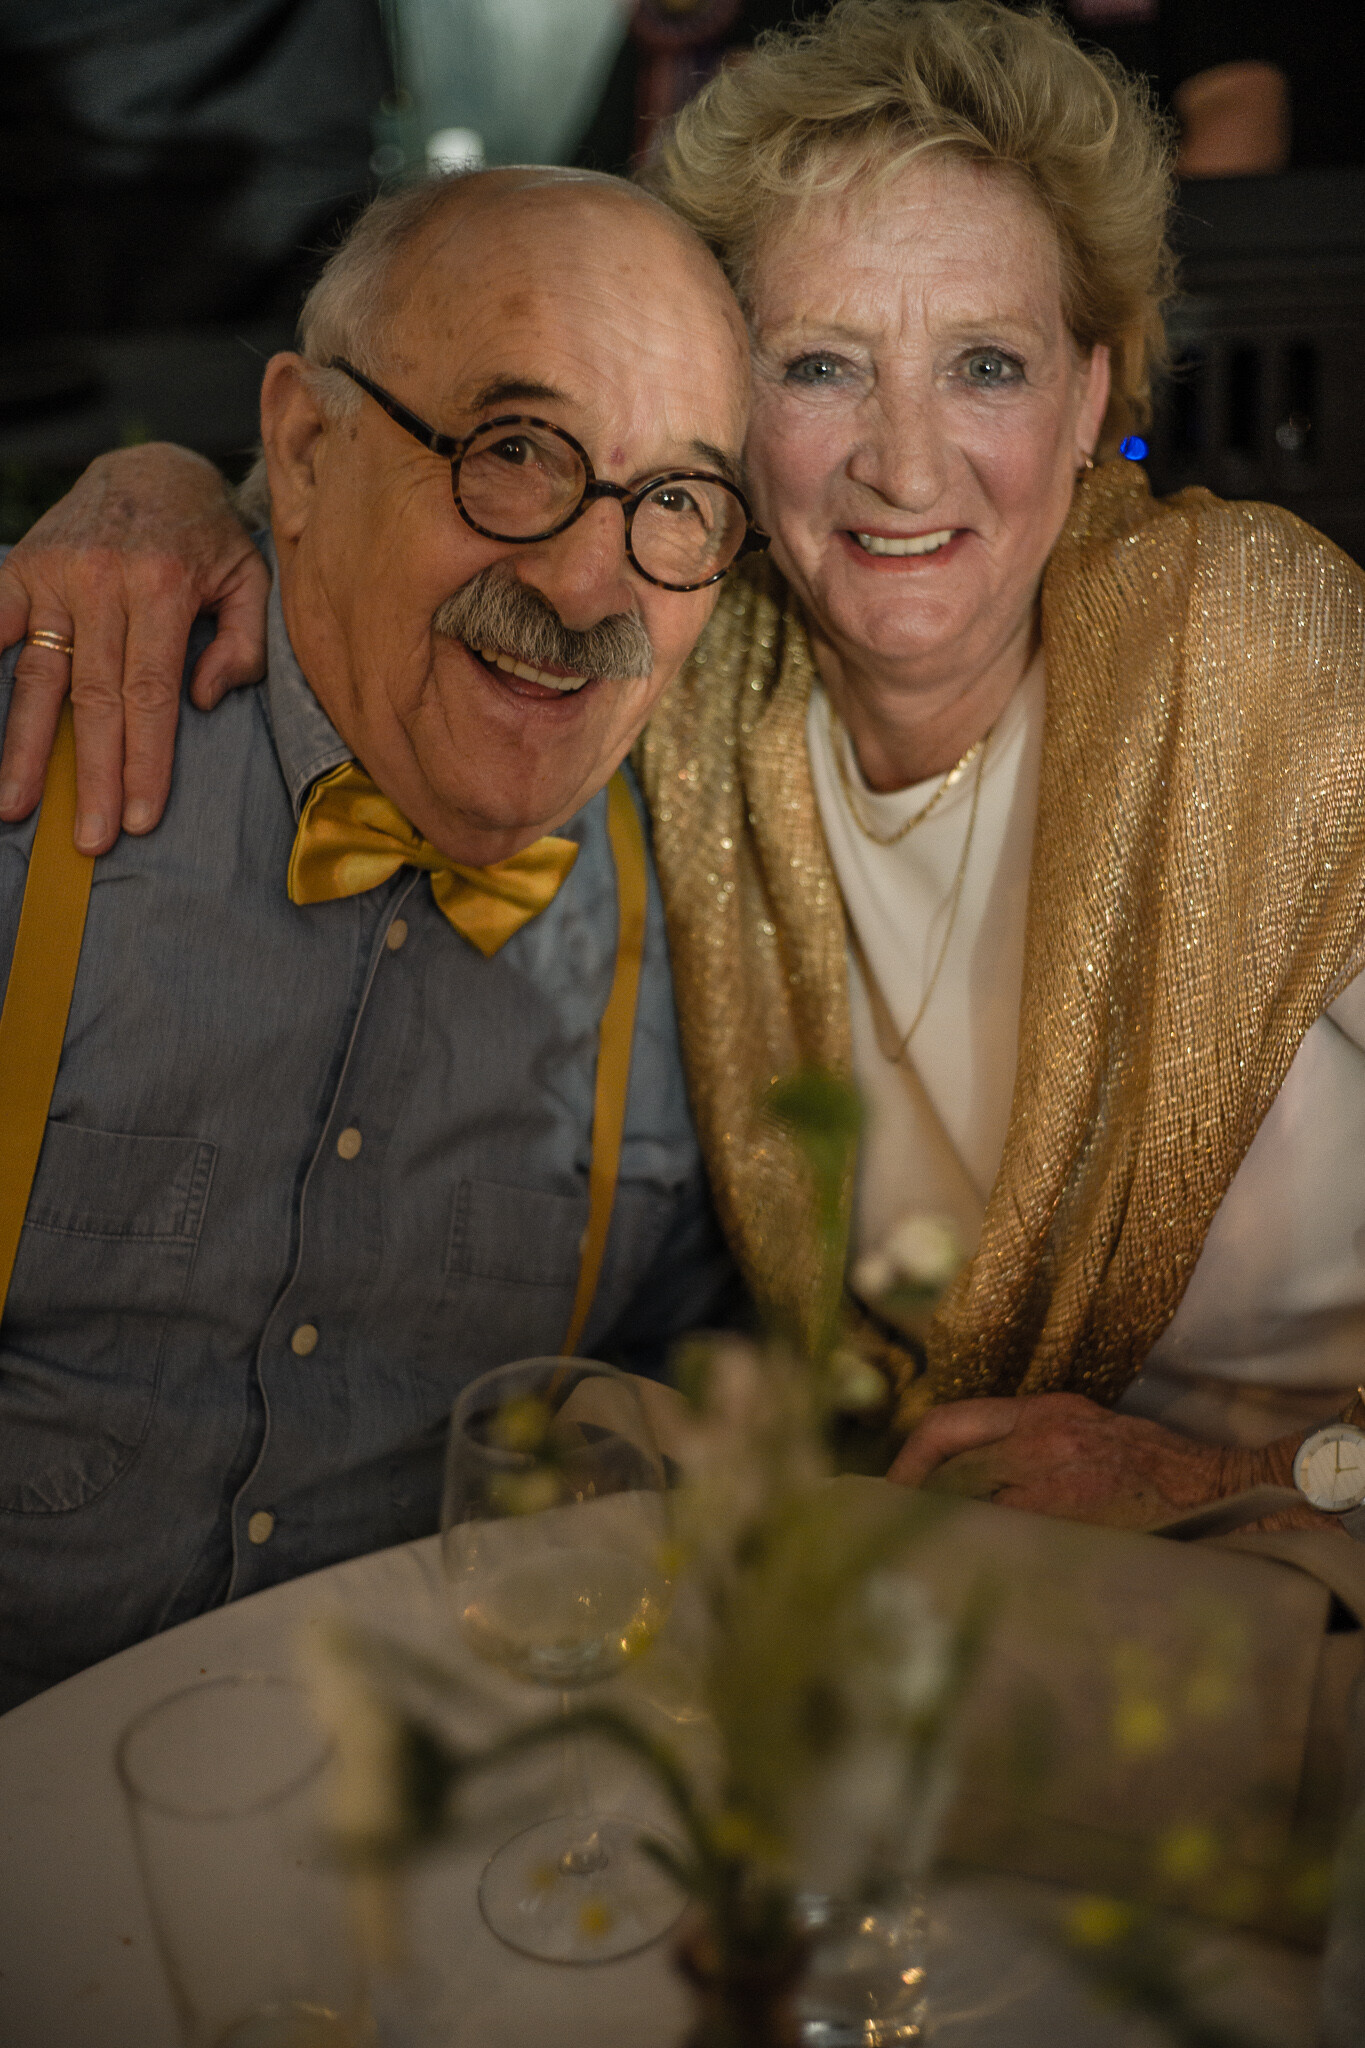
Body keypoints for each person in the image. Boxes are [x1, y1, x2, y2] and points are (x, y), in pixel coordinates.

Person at [7, 1, 1365, 1541]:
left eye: (985, 364)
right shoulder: (680, 682)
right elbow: (401, 514)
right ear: (718, 416)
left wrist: (1237, 1482)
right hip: (976, 1602)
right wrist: (154, 490)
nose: (904, 465)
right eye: (820, 366)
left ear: (1088, 400)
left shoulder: (1258, 652)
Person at [0, 164, 754, 1706]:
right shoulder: (33, 752)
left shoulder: (704, 913)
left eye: (674, 500)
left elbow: (671, 1395)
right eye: (512, 450)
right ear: (301, 447)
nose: (586, 583)